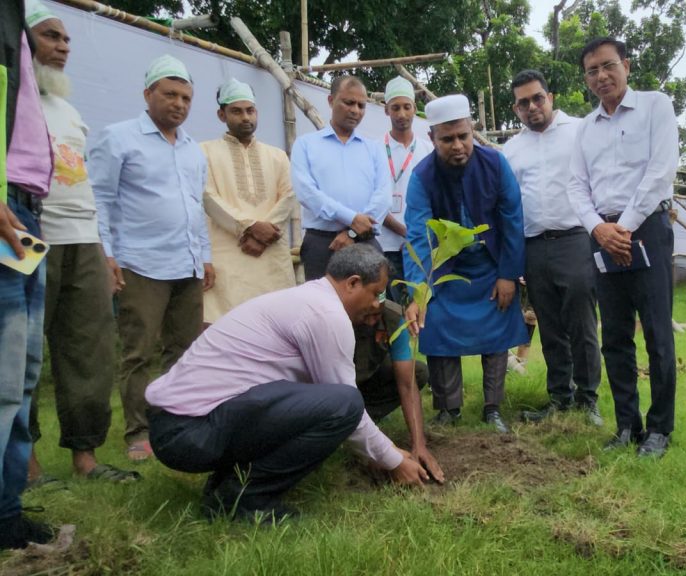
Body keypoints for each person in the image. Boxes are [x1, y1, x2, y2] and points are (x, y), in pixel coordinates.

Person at [146, 245, 433, 522]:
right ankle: (243, 499)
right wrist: (394, 461)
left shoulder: (307, 299)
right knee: (345, 404)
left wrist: (386, 451)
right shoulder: (326, 314)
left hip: (182, 425)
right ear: (353, 283)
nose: (376, 304)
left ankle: (227, 486)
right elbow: (348, 410)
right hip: (188, 431)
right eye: (375, 293)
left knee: (324, 402)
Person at [24, 1, 137, 485]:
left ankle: (85, 456)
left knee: (90, 348)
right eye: (51, 36)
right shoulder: (13, 102)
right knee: (23, 349)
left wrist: (104, 251)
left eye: (67, 38)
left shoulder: (67, 109)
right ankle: (23, 464)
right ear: (23, 39)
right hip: (32, 234)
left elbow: (85, 185)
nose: (63, 47)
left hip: (84, 239)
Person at [89, 54, 215, 461]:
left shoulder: (194, 149)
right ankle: (138, 432)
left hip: (188, 263)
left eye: (186, 97)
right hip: (141, 263)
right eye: (170, 94)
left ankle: (176, 421)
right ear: (148, 94)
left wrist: (206, 256)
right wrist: (106, 255)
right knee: (138, 350)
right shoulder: (119, 137)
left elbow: (195, 207)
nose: (178, 104)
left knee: (184, 350)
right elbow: (100, 200)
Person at [567, 37, 680, 458]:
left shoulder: (655, 106)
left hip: (647, 227)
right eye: (592, 71)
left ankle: (660, 429)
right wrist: (600, 229)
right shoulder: (585, 129)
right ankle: (627, 426)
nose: (601, 77)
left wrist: (624, 228)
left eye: (607, 66)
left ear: (626, 66)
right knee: (613, 335)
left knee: (656, 332)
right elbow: (576, 187)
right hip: (602, 235)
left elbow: (660, 170)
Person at [403, 94, 528, 433]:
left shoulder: (496, 164)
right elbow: (417, 234)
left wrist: (507, 274)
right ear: (432, 138)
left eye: (463, 136)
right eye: (447, 139)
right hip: (446, 271)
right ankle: (448, 409)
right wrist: (420, 289)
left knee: (497, 332)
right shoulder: (422, 176)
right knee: (438, 324)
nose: (457, 145)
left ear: (472, 130)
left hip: (491, 265)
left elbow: (513, 220)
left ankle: (493, 408)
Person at [502, 69, 602, 426]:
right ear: (515, 108)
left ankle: (588, 400)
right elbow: (509, 204)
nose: (531, 107)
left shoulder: (581, 132)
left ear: (551, 97)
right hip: (533, 247)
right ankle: (560, 398)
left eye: (537, 98)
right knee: (550, 326)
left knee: (582, 323)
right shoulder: (511, 149)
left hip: (575, 239)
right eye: (523, 103)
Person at [0, 0, 58, 550]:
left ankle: (6, 512)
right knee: (1, 377)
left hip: (25, 211)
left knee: (20, 374)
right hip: (5, 208)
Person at [200, 79, 296, 324]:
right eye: (236, 111)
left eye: (250, 110)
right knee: (227, 325)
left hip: (270, 252)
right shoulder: (204, 152)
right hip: (228, 253)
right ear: (221, 114)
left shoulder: (277, 156)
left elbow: (289, 196)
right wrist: (250, 227)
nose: (246, 117)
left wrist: (264, 233)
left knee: (275, 324)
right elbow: (208, 197)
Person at [292, 75, 390, 281]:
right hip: (322, 243)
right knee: (321, 307)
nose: (355, 110)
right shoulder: (306, 145)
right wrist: (351, 218)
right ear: (330, 101)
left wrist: (353, 232)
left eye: (361, 105)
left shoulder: (373, 149)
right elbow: (307, 193)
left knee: (371, 309)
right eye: (349, 102)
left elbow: (383, 196)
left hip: (364, 240)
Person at [354, 298, 444, 481]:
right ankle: (350, 426)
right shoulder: (336, 315)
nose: (372, 321)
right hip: (335, 388)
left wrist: (419, 444)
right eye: (367, 315)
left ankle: (367, 418)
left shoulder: (392, 317)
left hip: (367, 381)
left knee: (418, 372)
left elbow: (407, 384)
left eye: (376, 315)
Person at [378, 76, 432, 302]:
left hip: (420, 243)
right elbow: (372, 201)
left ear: (414, 109)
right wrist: (402, 230)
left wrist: (416, 233)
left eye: (406, 107)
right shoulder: (374, 150)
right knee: (394, 310)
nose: (401, 114)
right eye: (395, 108)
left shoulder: (428, 150)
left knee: (422, 305)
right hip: (386, 244)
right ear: (386, 110)